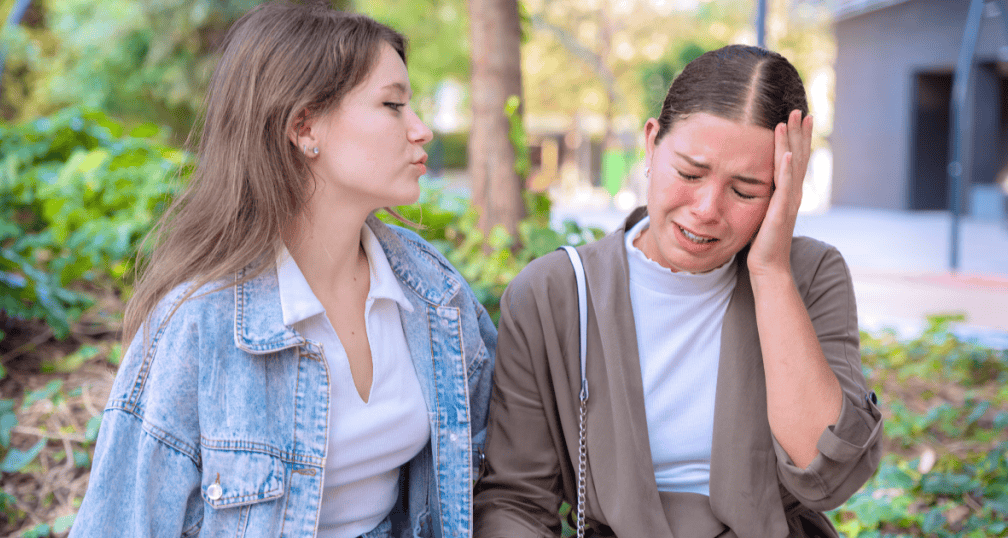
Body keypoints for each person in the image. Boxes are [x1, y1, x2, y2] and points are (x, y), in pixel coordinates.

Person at [70, 3, 495, 537]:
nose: (422, 130)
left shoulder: (433, 291)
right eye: (393, 105)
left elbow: (496, 469)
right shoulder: (198, 324)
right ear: (303, 126)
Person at [474, 45, 882, 538]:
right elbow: (516, 502)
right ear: (650, 143)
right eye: (689, 174)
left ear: (783, 189)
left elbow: (827, 476)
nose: (707, 208)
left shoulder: (810, 274)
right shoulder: (554, 294)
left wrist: (771, 272)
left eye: (747, 190)